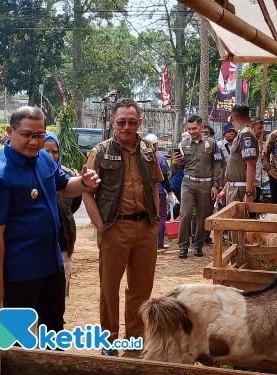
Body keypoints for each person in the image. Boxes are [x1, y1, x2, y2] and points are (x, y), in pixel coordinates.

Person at [0, 106, 100, 337]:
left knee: (53, 328)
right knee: (14, 338)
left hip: (52, 266)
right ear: (9, 132)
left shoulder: (43, 158)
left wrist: (83, 182)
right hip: (19, 273)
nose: (34, 141)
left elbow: (64, 186)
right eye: (27, 134)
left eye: (40, 135)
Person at [82, 98, 164, 357]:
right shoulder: (101, 152)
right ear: (112, 122)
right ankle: (109, 341)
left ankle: (134, 341)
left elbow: (154, 187)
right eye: (121, 122)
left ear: (140, 123)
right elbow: (86, 193)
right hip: (114, 228)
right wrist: (101, 227)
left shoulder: (149, 150)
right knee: (109, 287)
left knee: (141, 289)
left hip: (145, 228)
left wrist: (156, 221)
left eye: (132, 122)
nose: (127, 127)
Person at [43, 131, 83, 315]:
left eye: (55, 151)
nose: (51, 156)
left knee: (58, 291)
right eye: (46, 151)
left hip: (62, 246)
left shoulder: (67, 176)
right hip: (36, 247)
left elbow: (73, 205)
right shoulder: (31, 176)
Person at [172, 115, 222, 258]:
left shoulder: (212, 144)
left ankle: (198, 244)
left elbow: (217, 165)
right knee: (186, 213)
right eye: (189, 129)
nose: (192, 131)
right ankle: (183, 246)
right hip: (188, 182)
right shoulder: (183, 144)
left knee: (202, 215)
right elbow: (175, 168)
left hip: (206, 183)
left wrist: (215, 185)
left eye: (194, 128)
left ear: (201, 126)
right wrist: (174, 163)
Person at [218, 104, 257, 206]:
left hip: (241, 190)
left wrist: (248, 193)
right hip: (235, 188)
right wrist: (226, 188)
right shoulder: (240, 134)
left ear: (231, 118)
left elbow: (251, 164)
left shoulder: (246, 134)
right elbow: (236, 167)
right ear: (249, 118)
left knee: (239, 221)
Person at [144, 134, 172, 249]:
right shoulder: (159, 158)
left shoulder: (139, 157)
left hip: (144, 192)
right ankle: (158, 241)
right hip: (159, 191)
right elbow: (164, 177)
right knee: (161, 216)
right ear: (156, 145)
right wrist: (169, 192)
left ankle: (146, 241)